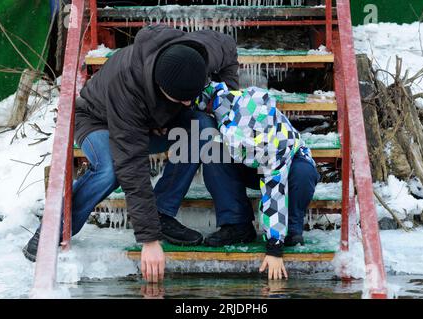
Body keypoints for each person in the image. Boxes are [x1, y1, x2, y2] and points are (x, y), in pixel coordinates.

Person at [23, 24, 243, 283]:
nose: (188, 103)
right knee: (110, 169)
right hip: (99, 119)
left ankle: (162, 212)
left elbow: (228, 47)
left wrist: (229, 98)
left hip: (153, 121)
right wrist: (149, 240)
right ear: (161, 88)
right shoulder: (127, 85)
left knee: (201, 126)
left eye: (190, 97)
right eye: (181, 99)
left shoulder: (201, 52)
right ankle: (53, 230)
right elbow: (132, 166)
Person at [196, 82, 320, 279]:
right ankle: (237, 224)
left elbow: (274, 191)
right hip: (250, 164)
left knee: (303, 173)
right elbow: (210, 90)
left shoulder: (277, 142)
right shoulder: (226, 102)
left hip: (286, 166)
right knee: (212, 152)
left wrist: (274, 248)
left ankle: (291, 228)